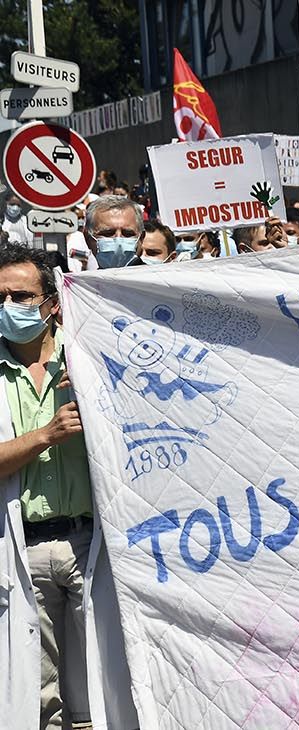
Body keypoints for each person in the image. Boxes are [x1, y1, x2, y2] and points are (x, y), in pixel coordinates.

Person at [0, 244, 136, 728]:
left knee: (107, 679)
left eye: (20, 297)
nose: (7, 307)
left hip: (90, 543)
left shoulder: (89, 355)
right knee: (36, 693)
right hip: (23, 551)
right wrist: (45, 436)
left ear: (51, 304)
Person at [84, 195, 141, 269]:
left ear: (141, 239)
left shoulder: (157, 279)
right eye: (108, 234)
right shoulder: (84, 280)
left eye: (127, 234)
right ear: (88, 238)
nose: (119, 242)